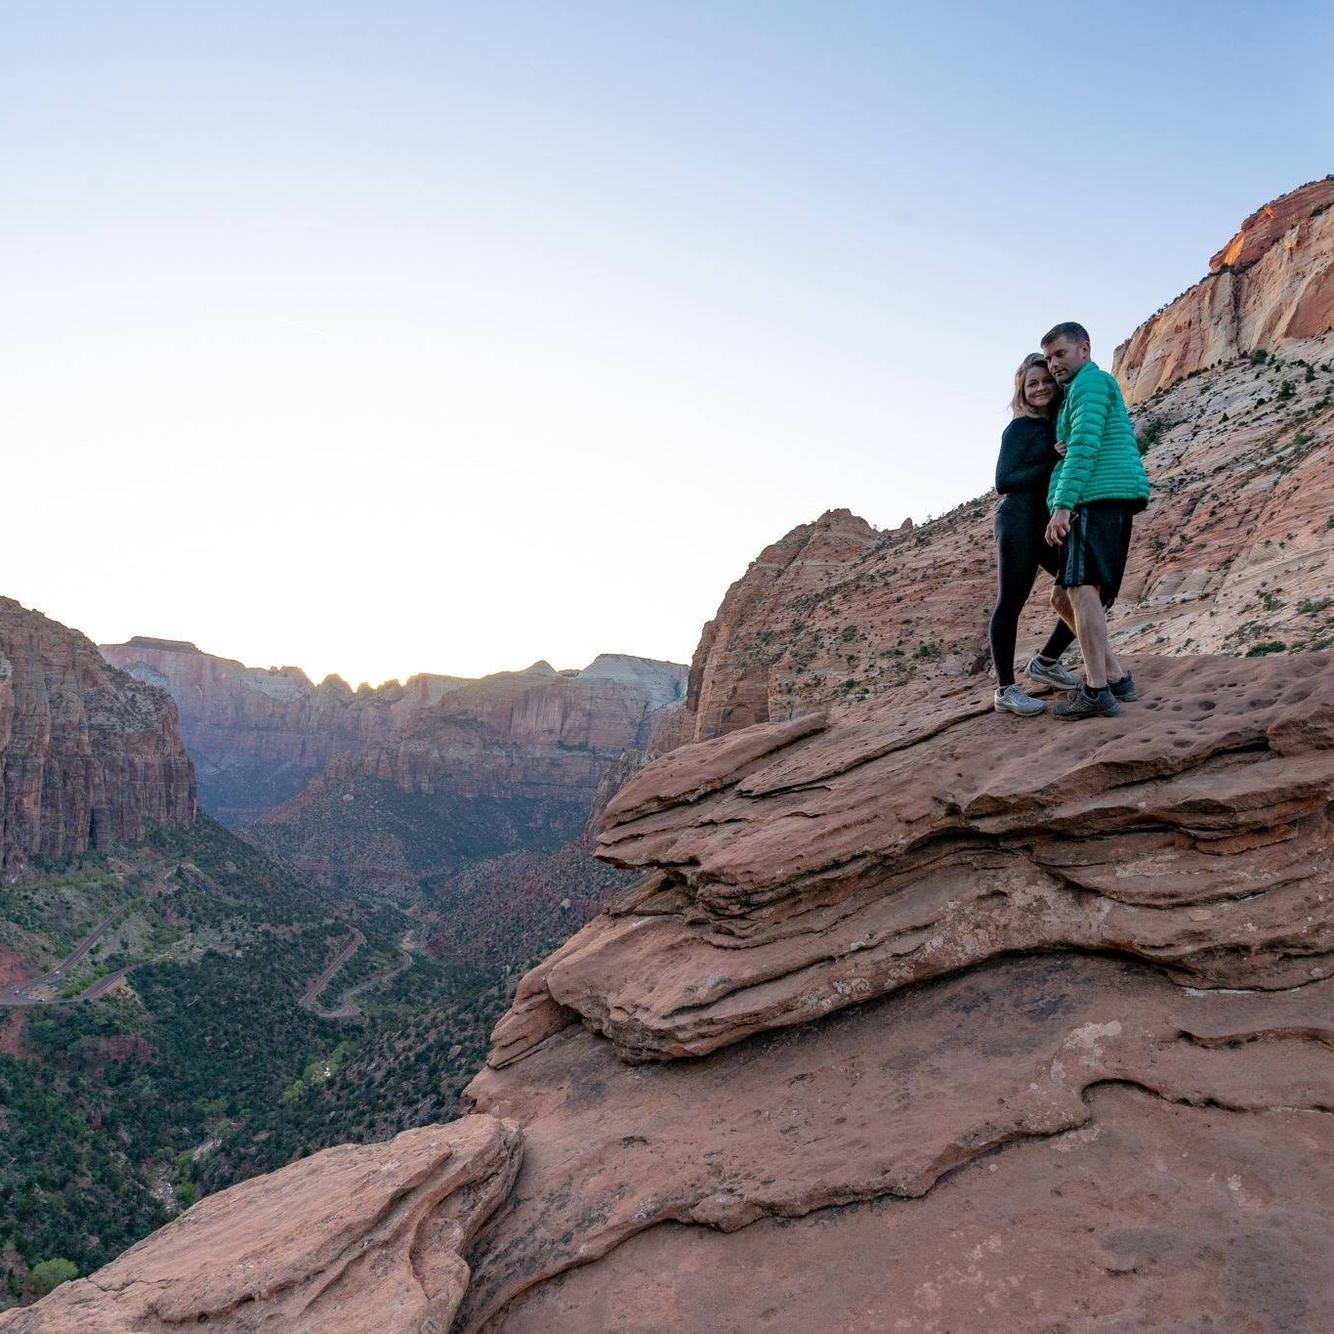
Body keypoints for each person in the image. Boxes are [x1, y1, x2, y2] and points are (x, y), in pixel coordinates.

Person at [1041, 321, 1151, 720]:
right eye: (1049, 357)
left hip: (1094, 499)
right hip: (1102, 497)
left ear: (1084, 349)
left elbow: (1086, 446)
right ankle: (1116, 676)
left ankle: (1095, 689)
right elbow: (1089, 437)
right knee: (1062, 595)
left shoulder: (1090, 383)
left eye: (1060, 354)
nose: (1053, 364)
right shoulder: (1085, 390)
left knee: (1082, 589)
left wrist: (1063, 505)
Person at [990, 353, 1082, 716]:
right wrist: (1051, 460)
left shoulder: (1058, 425)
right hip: (1017, 521)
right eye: (1032, 383)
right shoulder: (1019, 429)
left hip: (1047, 523)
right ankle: (1005, 690)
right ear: (1022, 391)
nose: (1041, 387)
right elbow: (1003, 482)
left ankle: (1047, 662)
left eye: (1046, 381)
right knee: (1011, 601)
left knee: (1088, 583)